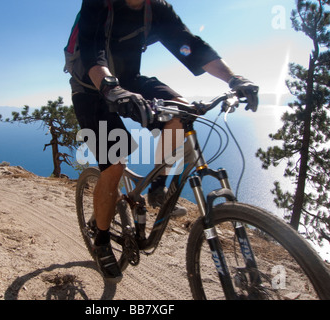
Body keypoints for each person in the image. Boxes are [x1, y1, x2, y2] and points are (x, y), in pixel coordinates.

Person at [67, 0, 259, 283]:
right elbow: (92, 49)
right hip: (90, 88)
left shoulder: (155, 9)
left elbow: (189, 45)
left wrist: (234, 78)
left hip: (130, 82)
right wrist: (110, 88)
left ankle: (157, 186)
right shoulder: (101, 3)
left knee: (181, 112)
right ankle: (102, 239)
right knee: (115, 164)